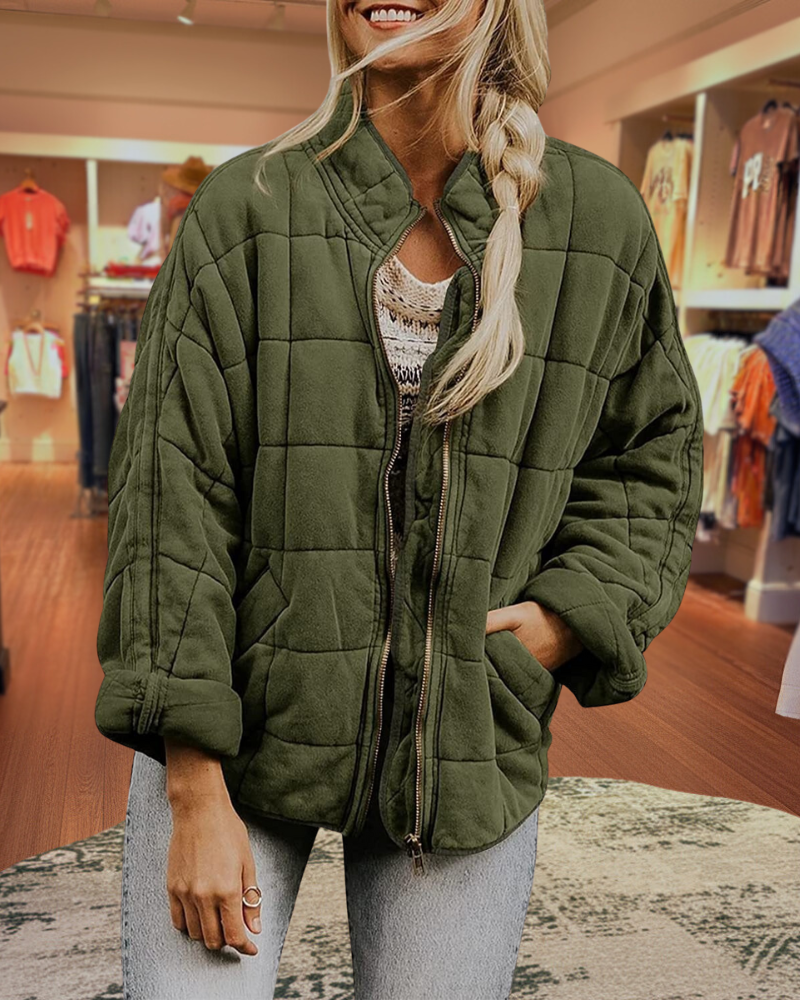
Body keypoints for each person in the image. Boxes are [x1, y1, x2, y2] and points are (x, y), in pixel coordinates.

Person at [94, 0, 704, 996]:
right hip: (239, 725)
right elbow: (172, 496)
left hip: (462, 739)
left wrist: (567, 618)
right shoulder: (247, 207)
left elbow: (652, 456)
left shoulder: (597, 222)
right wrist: (193, 783)